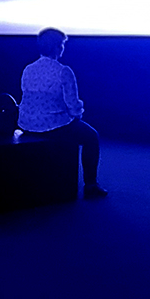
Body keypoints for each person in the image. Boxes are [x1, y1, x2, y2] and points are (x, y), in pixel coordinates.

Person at [16, 28, 109, 198]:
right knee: (92, 136)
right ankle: (91, 185)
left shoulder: (28, 69)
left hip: (27, 124)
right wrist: (78, 114)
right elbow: (73, 105)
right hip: (54, 126)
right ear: (57, 47)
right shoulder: (63, 71)